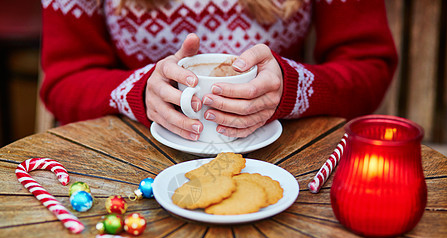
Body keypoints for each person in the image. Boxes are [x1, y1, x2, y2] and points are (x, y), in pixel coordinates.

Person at [40, 0, 397, 141]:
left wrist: (292, 89)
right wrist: (139, 91)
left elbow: (369, 68)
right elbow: (64, 82)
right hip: (132, 160)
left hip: (282, 159)